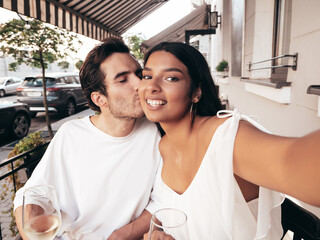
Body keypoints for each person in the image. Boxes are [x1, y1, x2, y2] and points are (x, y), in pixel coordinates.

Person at [139, 42, 320, 239]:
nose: (152, 86)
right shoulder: (162, 146)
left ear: (196, 93)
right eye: (147, 76)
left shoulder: (226, 138)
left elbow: (293, 162)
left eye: (171, 78)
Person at [13, 38, 161, 240]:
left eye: (138, 74)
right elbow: (32, 195)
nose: (140, 85)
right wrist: (32, 230)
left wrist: (122, 234)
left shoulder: (155, 131)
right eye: (123, 79)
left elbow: (164, 200)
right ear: (100, 99)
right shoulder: (71, 134)